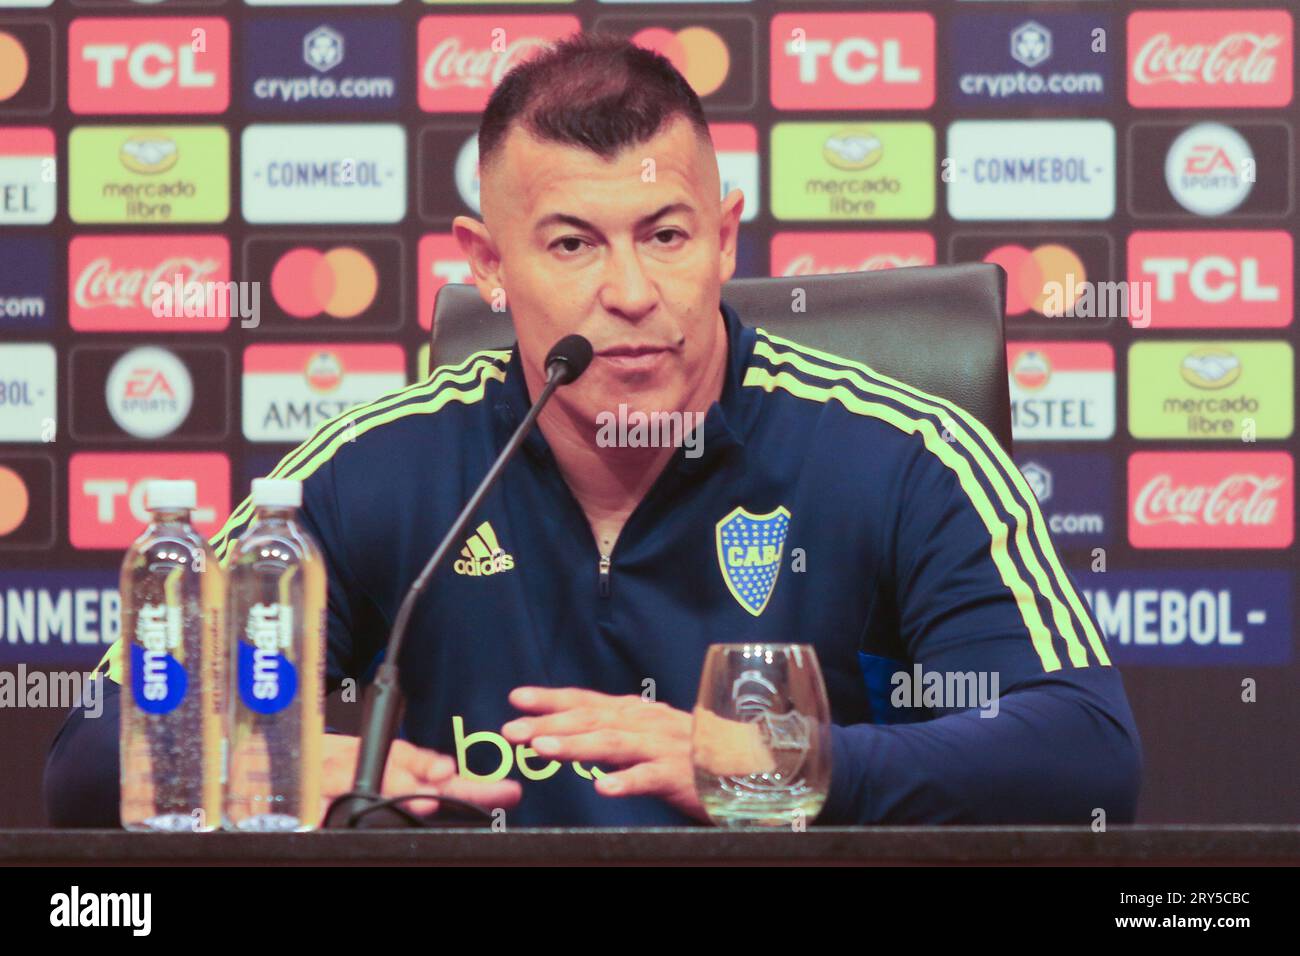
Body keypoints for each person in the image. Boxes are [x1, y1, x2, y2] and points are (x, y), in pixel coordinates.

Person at [45, 32, 1141, 828]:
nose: (630, 291)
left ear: (723, 239)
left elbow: (1084, 749)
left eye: (665, 234)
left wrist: (774, 758)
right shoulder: (384, 464)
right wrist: (265, 763)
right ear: (485, 263)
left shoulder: (902, 453)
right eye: (571, 244)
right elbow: (93, 750)